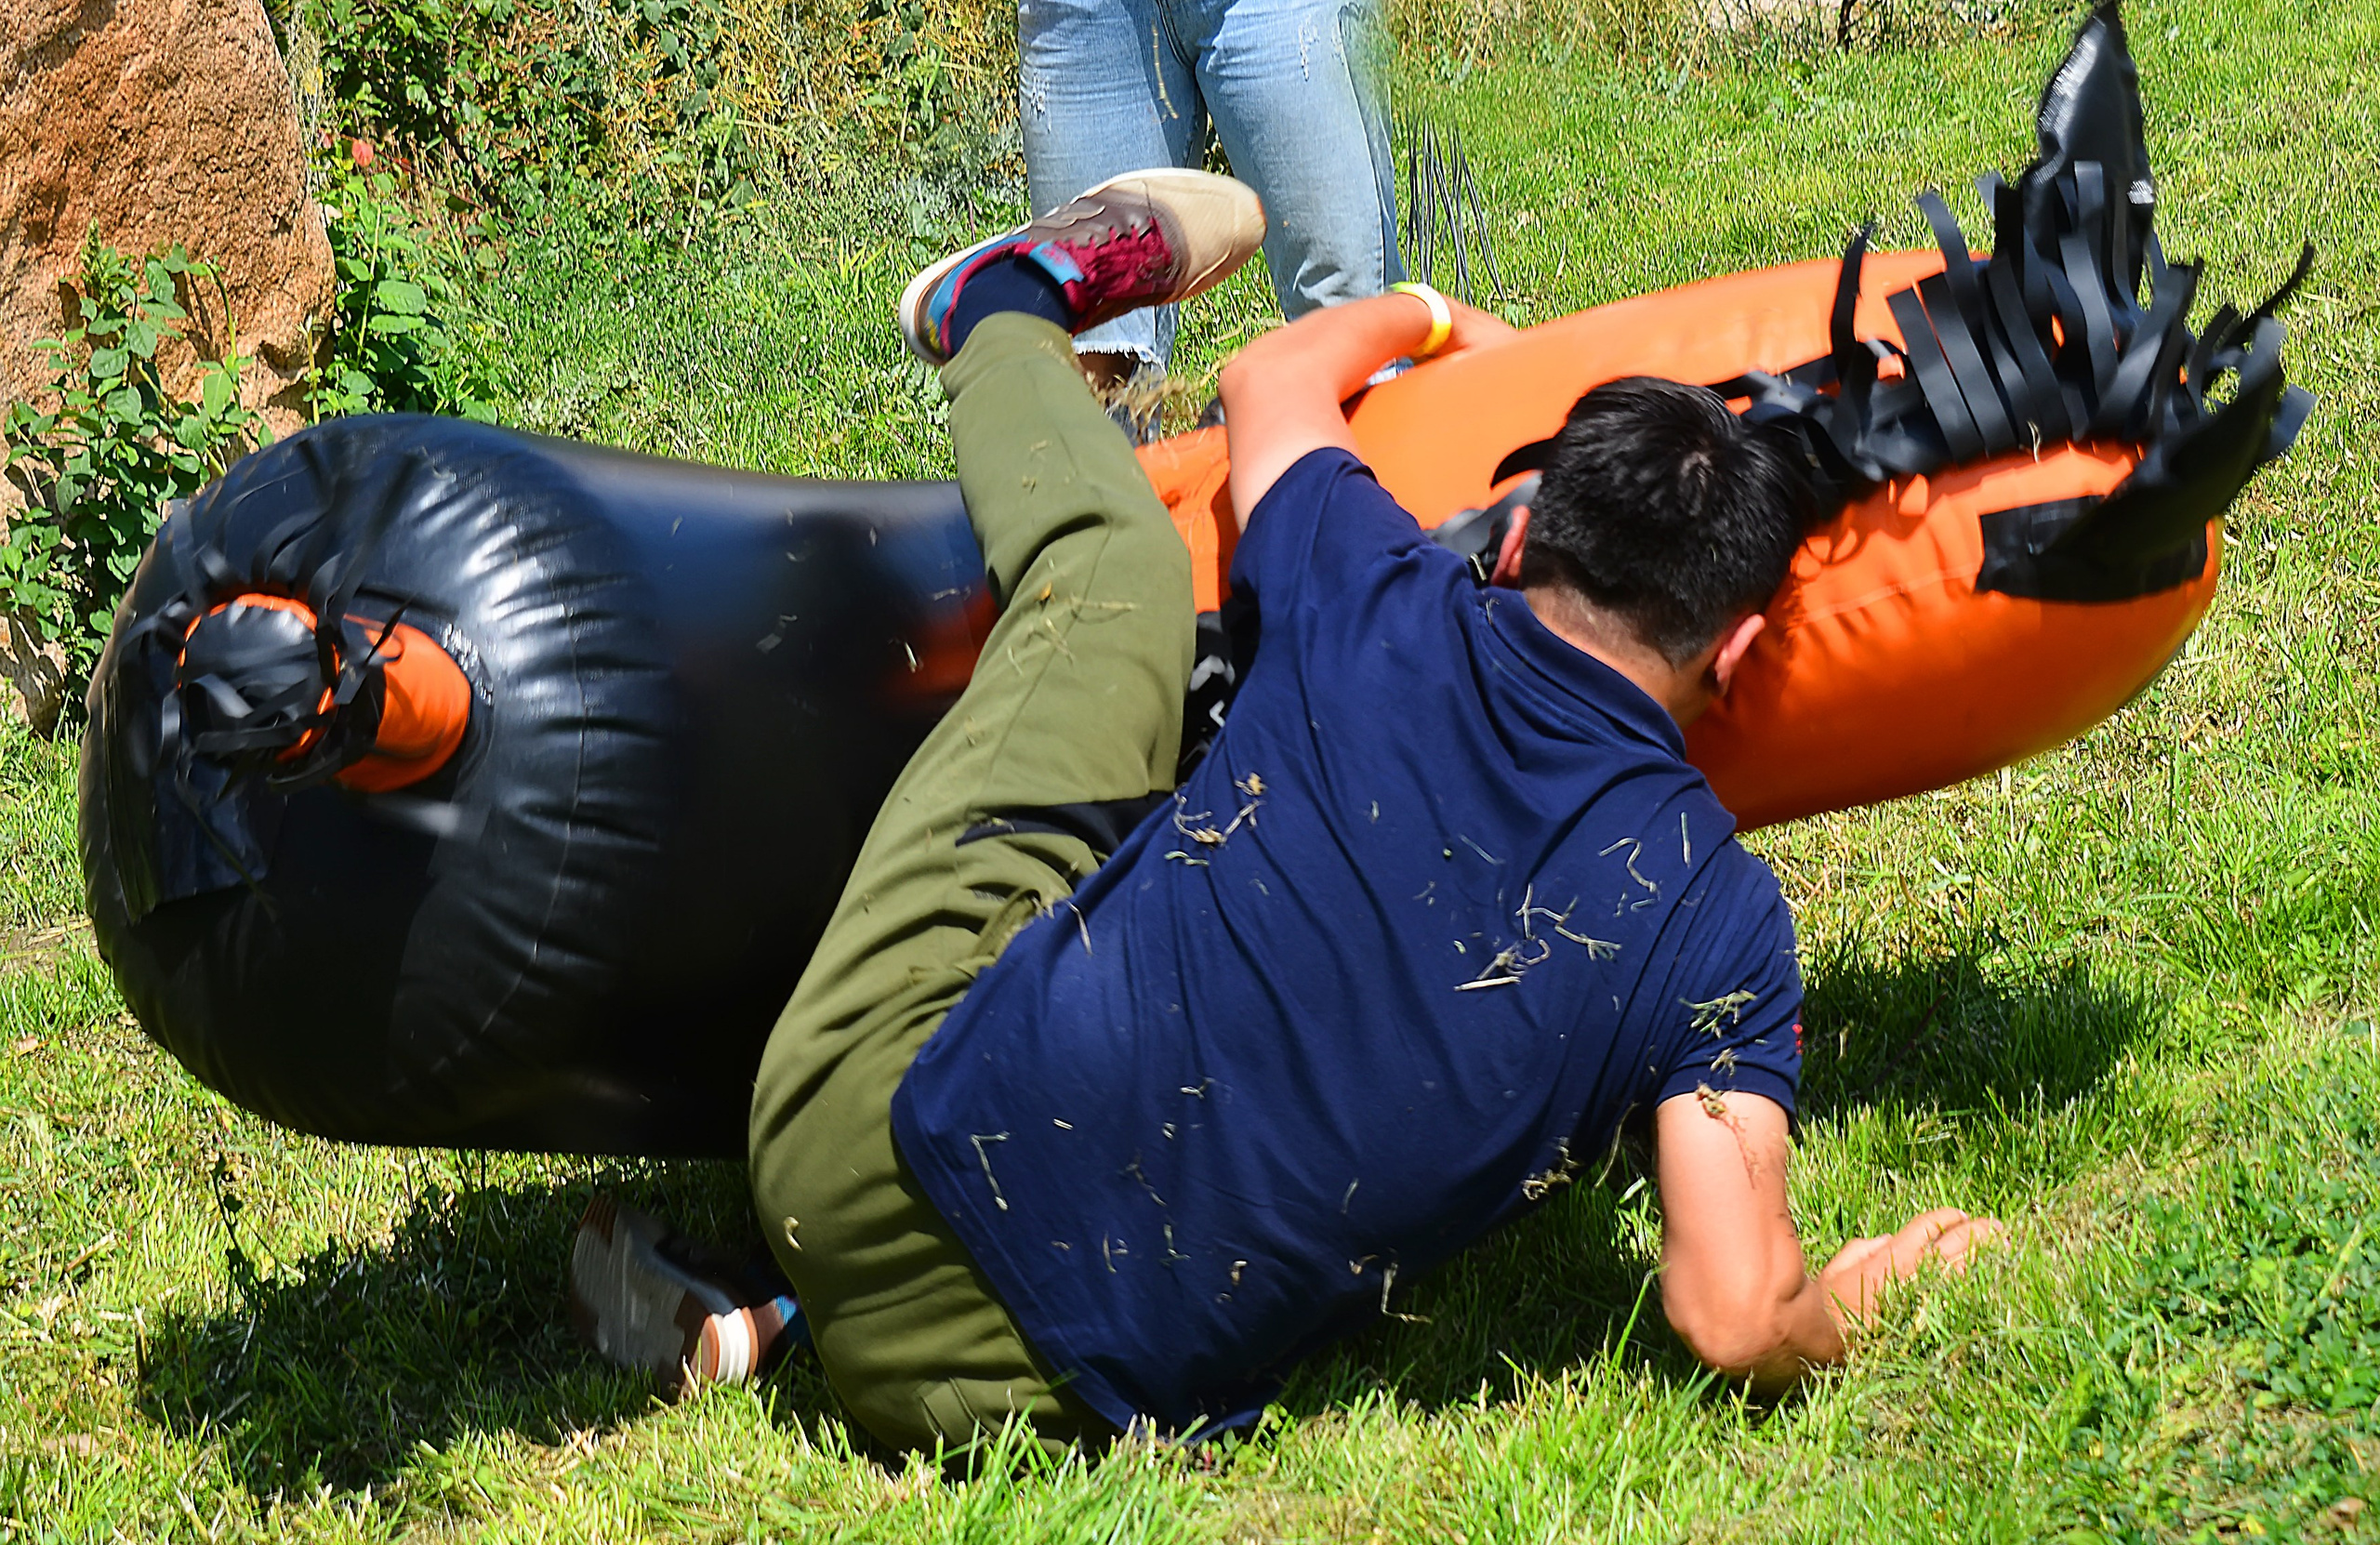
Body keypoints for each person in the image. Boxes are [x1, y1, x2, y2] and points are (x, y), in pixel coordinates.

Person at [569, 167, 2002, 1450]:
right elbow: (1739, 1313)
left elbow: (1268, 380)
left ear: (1517, 536)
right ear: (1739, 653)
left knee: (1118, 580)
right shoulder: (1713, 926)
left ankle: (995, 308)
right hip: (1005, 1402)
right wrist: (1861, 1297)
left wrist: (1439, 319)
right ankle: (785, 1314)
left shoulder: (1382, 590)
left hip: (847, 1137)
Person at [1015, 0, 1405, 433]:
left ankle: (1381, 495)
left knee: (1350, 320)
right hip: (1085, 17)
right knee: (1095, 353)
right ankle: (1123, 499)